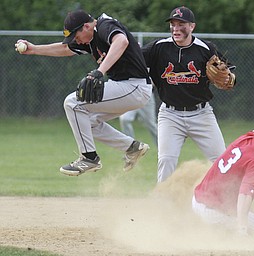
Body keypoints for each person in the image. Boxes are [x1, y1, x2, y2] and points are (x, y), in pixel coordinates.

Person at [15, 10, 153, 176]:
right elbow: (66, 48)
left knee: (73, 103)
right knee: (87, 122)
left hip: (134, 86)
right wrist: (34, 49)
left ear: (87, 26)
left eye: (76, 35)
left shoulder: (103, 26)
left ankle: (89, 158)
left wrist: (99, 72)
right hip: (124, 87)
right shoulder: (90, 38)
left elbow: (121, 41)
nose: (76, 40)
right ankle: (132, 147)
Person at [142, 6, 236, 182]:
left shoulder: (206, 48)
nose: (176, 28)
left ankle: (226, 200)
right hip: (170, 115)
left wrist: (229, 78)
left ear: (192, 26)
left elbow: (229, 74)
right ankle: (162, 204)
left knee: (221, 161)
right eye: (173, 24)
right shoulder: (159, 47)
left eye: (181, 24)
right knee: (166, 160)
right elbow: (135, 59)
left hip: (201, 114)